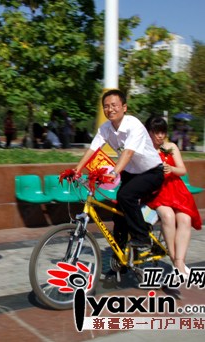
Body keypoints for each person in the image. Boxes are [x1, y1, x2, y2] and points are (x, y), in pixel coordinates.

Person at [74, 89, 164, 258]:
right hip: (131, 172)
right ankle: (120, 259)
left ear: (124, 107)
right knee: (119, 214)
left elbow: (128, 153)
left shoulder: (134, 125)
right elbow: (93, 149)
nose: (110, 109)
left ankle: (142, 237)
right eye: (106, 106)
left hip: (152, 172)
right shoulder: (105, 128)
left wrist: (114, 173)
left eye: (114, 105)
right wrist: (77, 170)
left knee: (125, 196)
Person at [144, 116, 202, 276]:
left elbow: (182, 170)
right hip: (156, 192)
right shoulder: (145, 149)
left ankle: (180, 263)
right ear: (149, 132)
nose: (160, 136)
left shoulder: (170, 147)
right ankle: (174, 258)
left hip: (176, 190)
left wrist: (171, 169)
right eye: (156, 132)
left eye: (163, 132)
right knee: (168, 216)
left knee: (185, 219)